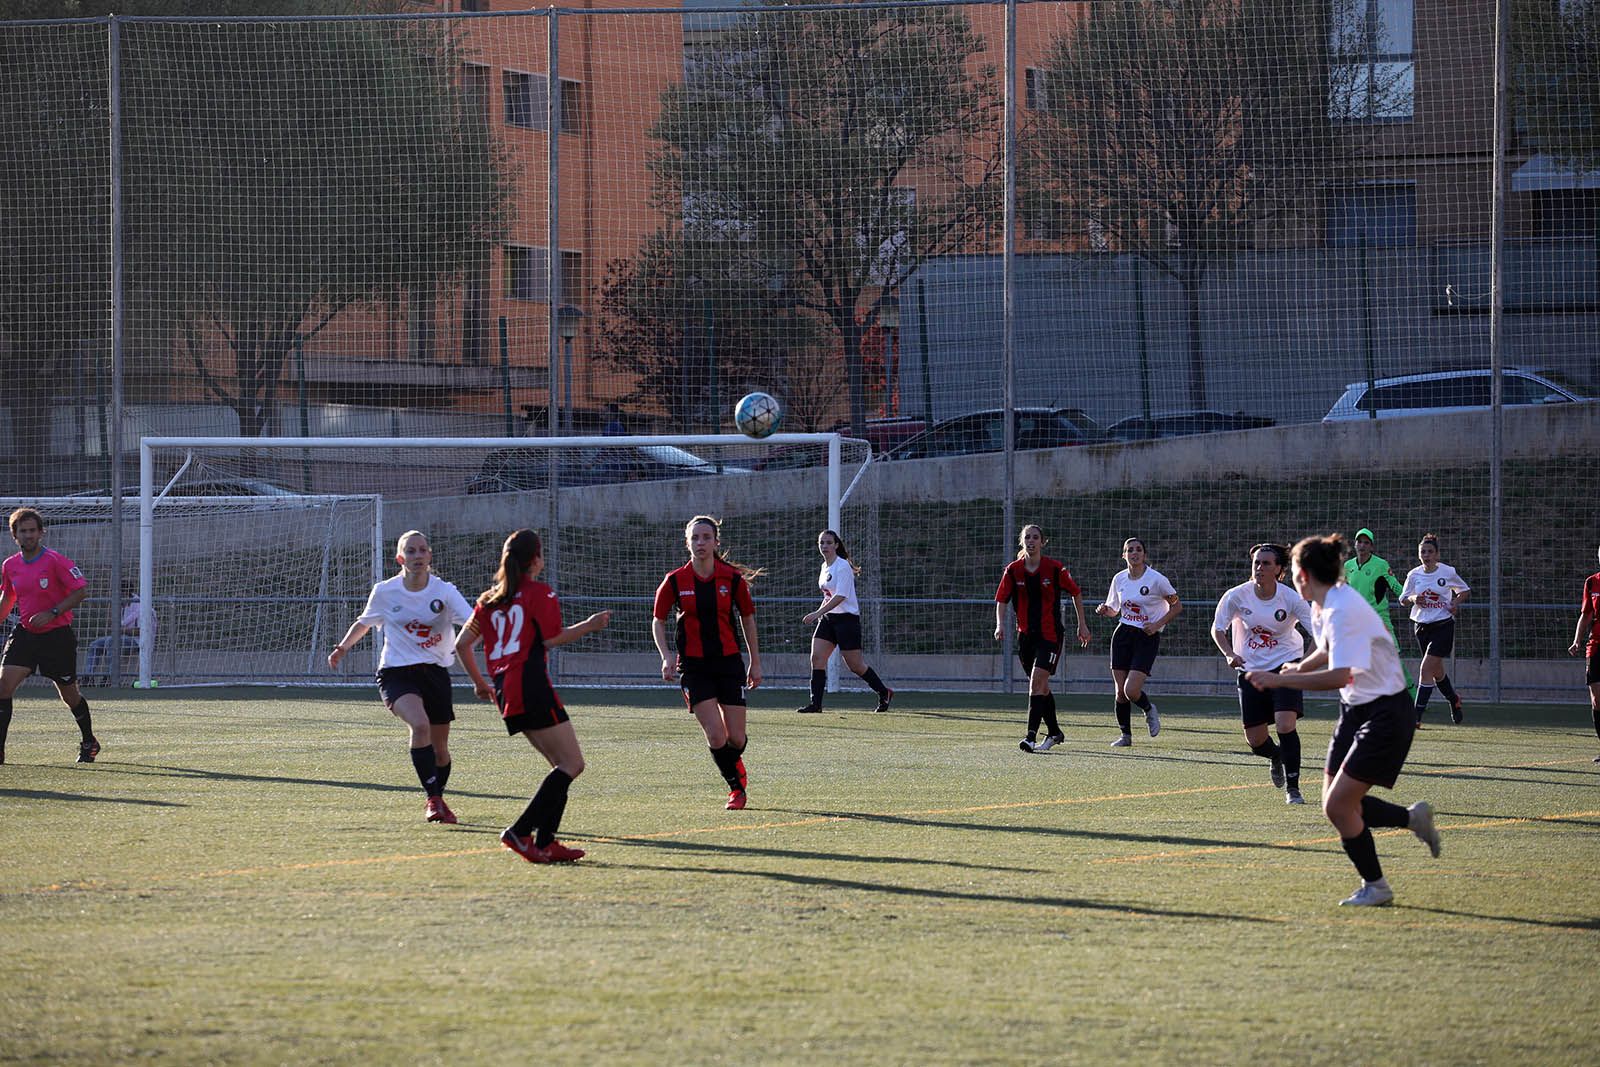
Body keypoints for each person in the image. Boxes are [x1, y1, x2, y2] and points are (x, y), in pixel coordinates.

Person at [1247, 534, 1441, 907]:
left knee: (1339, 807)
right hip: (1356, 710)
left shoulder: (1343, 609)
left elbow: (1342, 674)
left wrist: (1281, 680)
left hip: (1386, 712)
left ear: (1303, 575)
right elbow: (1325, 648)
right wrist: (1300, 667)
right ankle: (1412, 820)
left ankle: (1377, 886)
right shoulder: (1323, 604)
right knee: (1335, 804)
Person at [456, 529, 611, 864]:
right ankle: (520, 831)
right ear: (536, 559)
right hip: (530, 684)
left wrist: (480, 684)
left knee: (561, 766)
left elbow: (461, 644)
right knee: (572, 764)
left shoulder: (488, 600)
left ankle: (546, 842)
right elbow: (552, 638)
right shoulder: (539, 593)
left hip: (505, 690)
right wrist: (589, 625)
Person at [328, 530, 474, 825]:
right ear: (400, 558)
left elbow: (473, 622)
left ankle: (437, 797)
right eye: (411, 551)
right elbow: (364, 623)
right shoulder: (385, 591)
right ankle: (433, 800)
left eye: (422, 550)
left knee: (441, 752)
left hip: (435, 673)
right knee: (419, 726)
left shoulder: (445, 591)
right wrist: (343, 648)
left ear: (429, 555)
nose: (417, 555)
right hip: (396, 673)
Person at [651, 515, 762, 810]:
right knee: (715, 734)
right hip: (694, 667)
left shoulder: (732, 579)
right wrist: (665, 655)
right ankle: (736, 789)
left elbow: (748, 619)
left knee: (736, 738)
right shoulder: (675, 580)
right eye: (695, 538)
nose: (700, 543)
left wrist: (755, 662)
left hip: (728, 664)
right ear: (687, 543)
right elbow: (658, 620)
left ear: (716, 542)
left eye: (706, 537)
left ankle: (733, 763)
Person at [1212, 543, 1315, 803]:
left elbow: (1319, 634)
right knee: (1256, 740)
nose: (1259, 568)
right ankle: (1276, 756)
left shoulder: (1291, 598)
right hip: (1251, 669)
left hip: (1285, 666)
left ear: (1279, 569)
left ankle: (1293, 789)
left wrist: (1303, 664)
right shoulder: (1236, 595)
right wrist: (1229, 654)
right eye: (1256, 562)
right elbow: (1218, 629)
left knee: (1285, 724)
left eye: (1266, 563)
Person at [0, 508, 99, 764]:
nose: (28, 535)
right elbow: (8, 596)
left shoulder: (56, 561)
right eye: (23, 531)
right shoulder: (10, 565)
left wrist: (52, 612)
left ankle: (89, 741)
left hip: (57, 637)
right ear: (15, 535)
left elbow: (81, 591)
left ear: (41, 533)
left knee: (69, 696)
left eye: (33, 530)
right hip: (25, 634)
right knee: (3, 686)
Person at [994, 524, 1091, 752]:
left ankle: (1030, 736)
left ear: (1042, 542)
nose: (1031, 541)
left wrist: (1082, 624)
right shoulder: (1013, 570)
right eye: (1027, 537)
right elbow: (1001, 599)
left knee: (1036, 682)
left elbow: (1076, 592)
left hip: (1050, 636)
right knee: (1041, 686)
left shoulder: (1055, 569)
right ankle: (1055, 732)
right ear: (1022, 542)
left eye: (1035, 537)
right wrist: (999, 624)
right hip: (1025, 637)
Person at [795, 529, 893, 715]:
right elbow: (828, 595)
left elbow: (840, 596)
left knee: (855, 665)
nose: (824, 546)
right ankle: (815, 704)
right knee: (817, 658)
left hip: (847, 620)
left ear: (836, 545)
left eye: (828, 542)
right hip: (828, 619)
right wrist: (821, 614)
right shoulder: (824, 566)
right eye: (821, 542)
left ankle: (884, 692)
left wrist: (817, 613)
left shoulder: (842, 566)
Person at [1094, 537, 1180, 747]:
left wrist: (1157, 624)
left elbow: (1177, 606)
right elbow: (1115, 610)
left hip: (1146, 637)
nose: (1134, 553)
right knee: (1120, 691)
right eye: (1130, 550)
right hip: (1123, 635)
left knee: (1131, 690)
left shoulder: (1156, 579)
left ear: (1144, 554)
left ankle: (1149, 709)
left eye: (1138, 549)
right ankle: (1125, 736)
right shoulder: (1119, 579)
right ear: (1124, 555)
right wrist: (1105, 610)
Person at [1398, 533, 1471, 726]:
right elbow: (1403, 599)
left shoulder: (1447, 572)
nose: (1426, 555)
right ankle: (1454, 699)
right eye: (1423, 552)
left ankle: (1415, 716)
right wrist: (1413, 598)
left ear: (1437, 554)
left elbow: (1464, 590)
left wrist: (1455, 603)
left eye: (1430, 551)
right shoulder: (1414, 575)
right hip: (1422, 627)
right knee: (1436, 672)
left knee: (1425, 669)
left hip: (1443, 626)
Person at [1343, 528, 1416, 701]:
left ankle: (1414, 695)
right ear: (1355, 544)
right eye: (1359, 542)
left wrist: (1410, 597)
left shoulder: (1381, 565)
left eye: (1366, 542)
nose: (1362, 545)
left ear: (1372, 546)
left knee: (1393, 656)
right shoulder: (1348, 566)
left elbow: (1395, 586)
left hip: (1379, 619)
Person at [1569, 545, 1600, 763]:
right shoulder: (1592, 582)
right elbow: (1586, 614)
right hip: (1596, 645)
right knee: (1597, 700)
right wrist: (1577, 640)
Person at [83, 585, 149, 685]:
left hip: (137, 640)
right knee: (95, 644)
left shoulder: (140, 606)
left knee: (111, 641)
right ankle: (88, 677)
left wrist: (121, 630)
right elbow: (111, 625)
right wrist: (112, 609)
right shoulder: (121, 605)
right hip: (121, 637)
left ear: (125, 593)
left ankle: (110, 677)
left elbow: (143, 631)